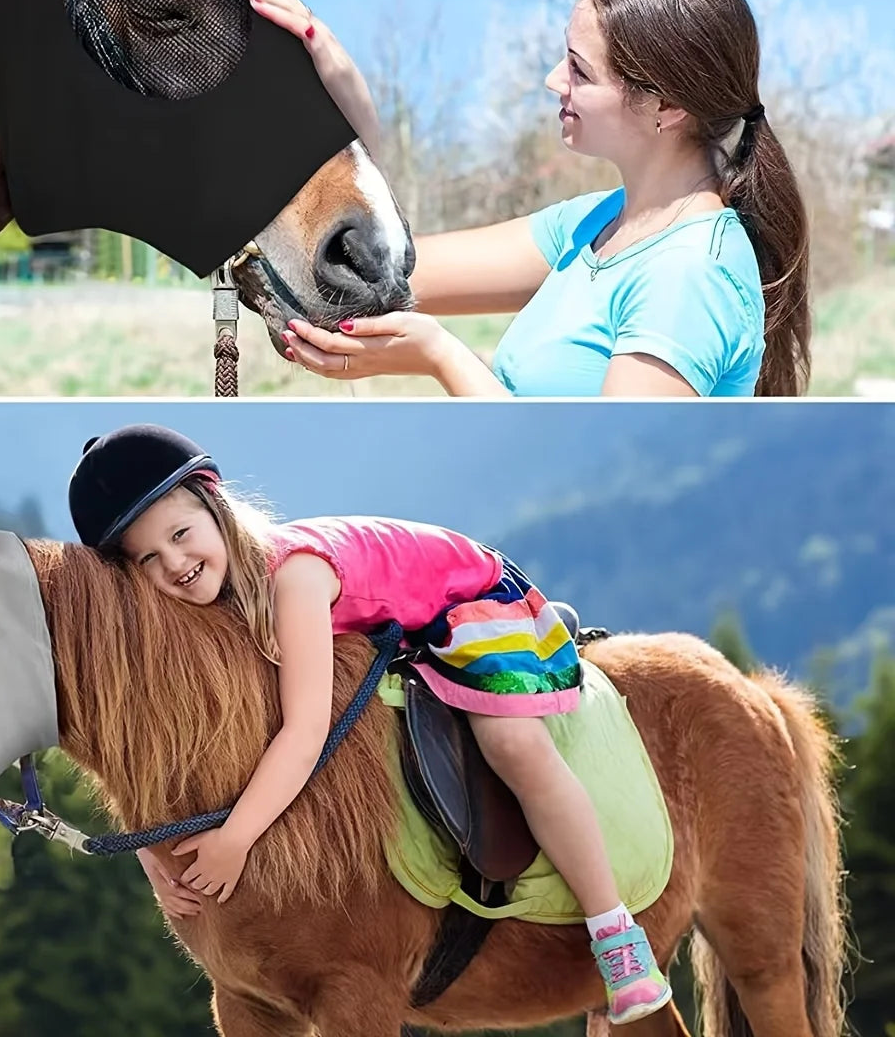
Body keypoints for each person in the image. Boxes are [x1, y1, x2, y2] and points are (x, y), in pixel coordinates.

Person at [68, 424, 673, 1025]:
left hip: (469, 604)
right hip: (406, 629)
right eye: (148, 558)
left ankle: (614, 933)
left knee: (513, 745)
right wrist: (152, 852)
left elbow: (304, 733)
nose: (175, 563)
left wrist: (235, 839)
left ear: (216, 509)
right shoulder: (204, 599)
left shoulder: (291, 579)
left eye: (180, 534)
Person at [245, 0, 810, 397]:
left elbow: (601, 461)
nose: (552, 80)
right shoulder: (594, 226)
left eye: (579, 70)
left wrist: (441, 357)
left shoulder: (690, 274)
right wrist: (340, 78)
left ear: (665, 106)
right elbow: (396, 269)